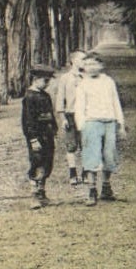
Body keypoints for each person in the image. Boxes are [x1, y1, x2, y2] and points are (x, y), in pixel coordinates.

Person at [73, 54, 126, 205]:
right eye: (88, 65)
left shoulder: (108, 81)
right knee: (91, 156)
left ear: (101, 66)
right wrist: (82, 126)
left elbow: (115, 102)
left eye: (94, 64)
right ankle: (91, 190)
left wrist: (120, 123)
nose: (91, 68)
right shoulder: (83, 84)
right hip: (91, 123)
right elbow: (79, 107)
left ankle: (106, 186)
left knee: (109, 155)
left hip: (109, 122)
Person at [21, 64, 58, 209]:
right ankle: (34, 195)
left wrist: (54, 129)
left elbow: (51, 115)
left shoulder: (46, 96)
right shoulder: (29, 97)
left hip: (47, 135)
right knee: (37, 162)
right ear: (35, 79)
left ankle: (42, 192)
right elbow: (28, 121)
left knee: (48, 162)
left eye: (48, 81)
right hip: (37, 136)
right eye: (45, 80)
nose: (47, 84)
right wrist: (33, 139)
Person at [50, 50, 87, 186]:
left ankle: (85, 172)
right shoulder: (65, 78)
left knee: (85, 144)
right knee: (71, 145)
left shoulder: (87, 77)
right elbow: (60, 99)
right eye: (82, 59)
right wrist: (62, 117)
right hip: (70, 114)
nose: (84, 62)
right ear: (74, 61)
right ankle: (73, 173)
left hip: (85, 115)